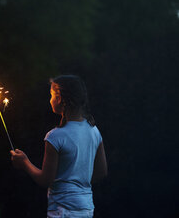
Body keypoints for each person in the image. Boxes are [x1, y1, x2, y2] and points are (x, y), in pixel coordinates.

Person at [10, 75, 107, 218]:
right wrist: (78, 182)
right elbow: (102, 172)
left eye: (51, 95)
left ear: (60, 98)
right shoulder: (94, 131)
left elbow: (45, 180)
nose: (50, 100)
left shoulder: (55, 136)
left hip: (62, 210)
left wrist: (24, 162)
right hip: (86, 209)